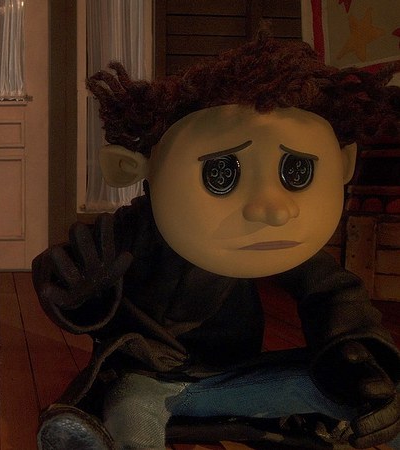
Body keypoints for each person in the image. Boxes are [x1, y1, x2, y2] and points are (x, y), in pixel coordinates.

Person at [33, 31, 400, 449]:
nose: (274, 210)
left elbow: (331, 291)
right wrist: (86, 301)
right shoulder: (132, 231)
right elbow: (62, 271)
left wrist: (354, 355)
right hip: (148, 381)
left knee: (365, 394)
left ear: (344, 163)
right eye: (221, 174)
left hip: (236, 377)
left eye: (296, 172)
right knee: (130, 412)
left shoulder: (277, 243)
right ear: (132, 169)